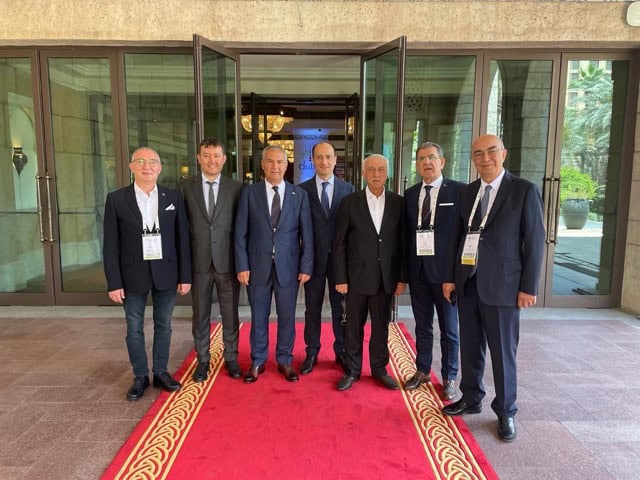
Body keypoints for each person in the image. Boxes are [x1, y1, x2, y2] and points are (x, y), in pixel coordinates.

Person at [441, 134, 545, 442]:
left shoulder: (523, 190)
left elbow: (534, 241)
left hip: (504, 285)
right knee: (471, 346)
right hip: (468, 282)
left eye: (491, 151)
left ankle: (506, 410)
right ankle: (472, 397)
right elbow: (457, 237)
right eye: (478, 153)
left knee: (503, 352)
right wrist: (450, 277)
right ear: (472, 158)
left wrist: (528, 286)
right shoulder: (468, 192)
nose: (484, 158)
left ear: (504, 153)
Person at [103, 146, 192, 401]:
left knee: (164, 325)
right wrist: (114, 282)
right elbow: (110, 245)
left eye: (152, 162)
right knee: (134, 328)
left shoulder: (173, 197)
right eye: (140, 161)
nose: (147, 166)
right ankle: (140, 376)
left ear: (160, 168)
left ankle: (161, 371)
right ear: (131, 167)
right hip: (132, 274)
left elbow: (182, 239)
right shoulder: (117, 199)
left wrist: (185, 276)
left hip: (166, 271)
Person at [234, 145, 314, 383]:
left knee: (287, 316)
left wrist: (306, 266)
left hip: (289, 267)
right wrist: (242, 265)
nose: (275, 166)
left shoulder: (299, 195)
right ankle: (258, 360)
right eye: (270, 161)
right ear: (262, 164)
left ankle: (285, 360)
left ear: (286, 165)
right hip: (257, 266)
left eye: (280, 162)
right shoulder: (249, 193)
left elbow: (307, 234)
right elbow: (240, 233)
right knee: (258, 315)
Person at [333, 154, 406, 391]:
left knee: (381, 327)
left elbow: (403, 244)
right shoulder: (349, 202)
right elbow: (339, 243)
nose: (376, 174)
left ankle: (379, 369)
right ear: (364, 173)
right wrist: (341, 278)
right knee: (353, 327)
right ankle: (352, 371)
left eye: (381, 169)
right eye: (371, 169)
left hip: (386, 279)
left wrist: (401, 278)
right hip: (355, 279)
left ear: (387, 173)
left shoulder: (398, 203)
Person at [403, 142, 464, 401]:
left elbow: (461, 236)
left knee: (449, 328)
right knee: (422, 325)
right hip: (418, 272)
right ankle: (422, 370)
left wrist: (454, 275)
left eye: (431, 157)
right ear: (417, 164)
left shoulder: (459, 191)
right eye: (421, 158)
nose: (426, 162)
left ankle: (449, 377)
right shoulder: (410, 194)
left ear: (442, 161)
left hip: (445, 276)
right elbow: (406, 235)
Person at [180, 138, 243, 382]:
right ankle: (203, 360)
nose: (212, 160)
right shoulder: (185, 187)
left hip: (227, 263)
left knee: (230, 314)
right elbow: (182, 228)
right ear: (199, 158)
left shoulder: (236, 189)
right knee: (200, 315)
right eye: (206, 155)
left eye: (216, 155)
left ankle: (231, 357)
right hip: (199, 263)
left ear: (224, 159)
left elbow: (240, 228)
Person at [298, 141, 355, 375]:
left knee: (340, 309)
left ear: (335, 159)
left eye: (328, 157)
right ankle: (312, 351)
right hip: (312, 260)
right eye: (319, 157)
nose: (324, 161)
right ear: (312, 160)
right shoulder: (302, 190)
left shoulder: (348, 189)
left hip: (340, 262)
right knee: (312, 309)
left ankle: (341, 351)